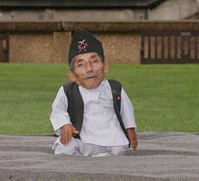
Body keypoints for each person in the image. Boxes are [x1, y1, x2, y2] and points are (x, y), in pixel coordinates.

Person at [50, 28, 137, 156]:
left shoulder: (114, 88)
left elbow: (126, 110)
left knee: (120, 150)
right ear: (72, 75)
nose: (89, 69)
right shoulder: (67, 91)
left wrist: (130, 131)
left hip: (113, 138)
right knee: (65, 147)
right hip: (83, 138)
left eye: (94, 61)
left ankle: (104, 156)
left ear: (105, 66)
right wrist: (65, 125)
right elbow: (58, 110)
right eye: (81, 65)